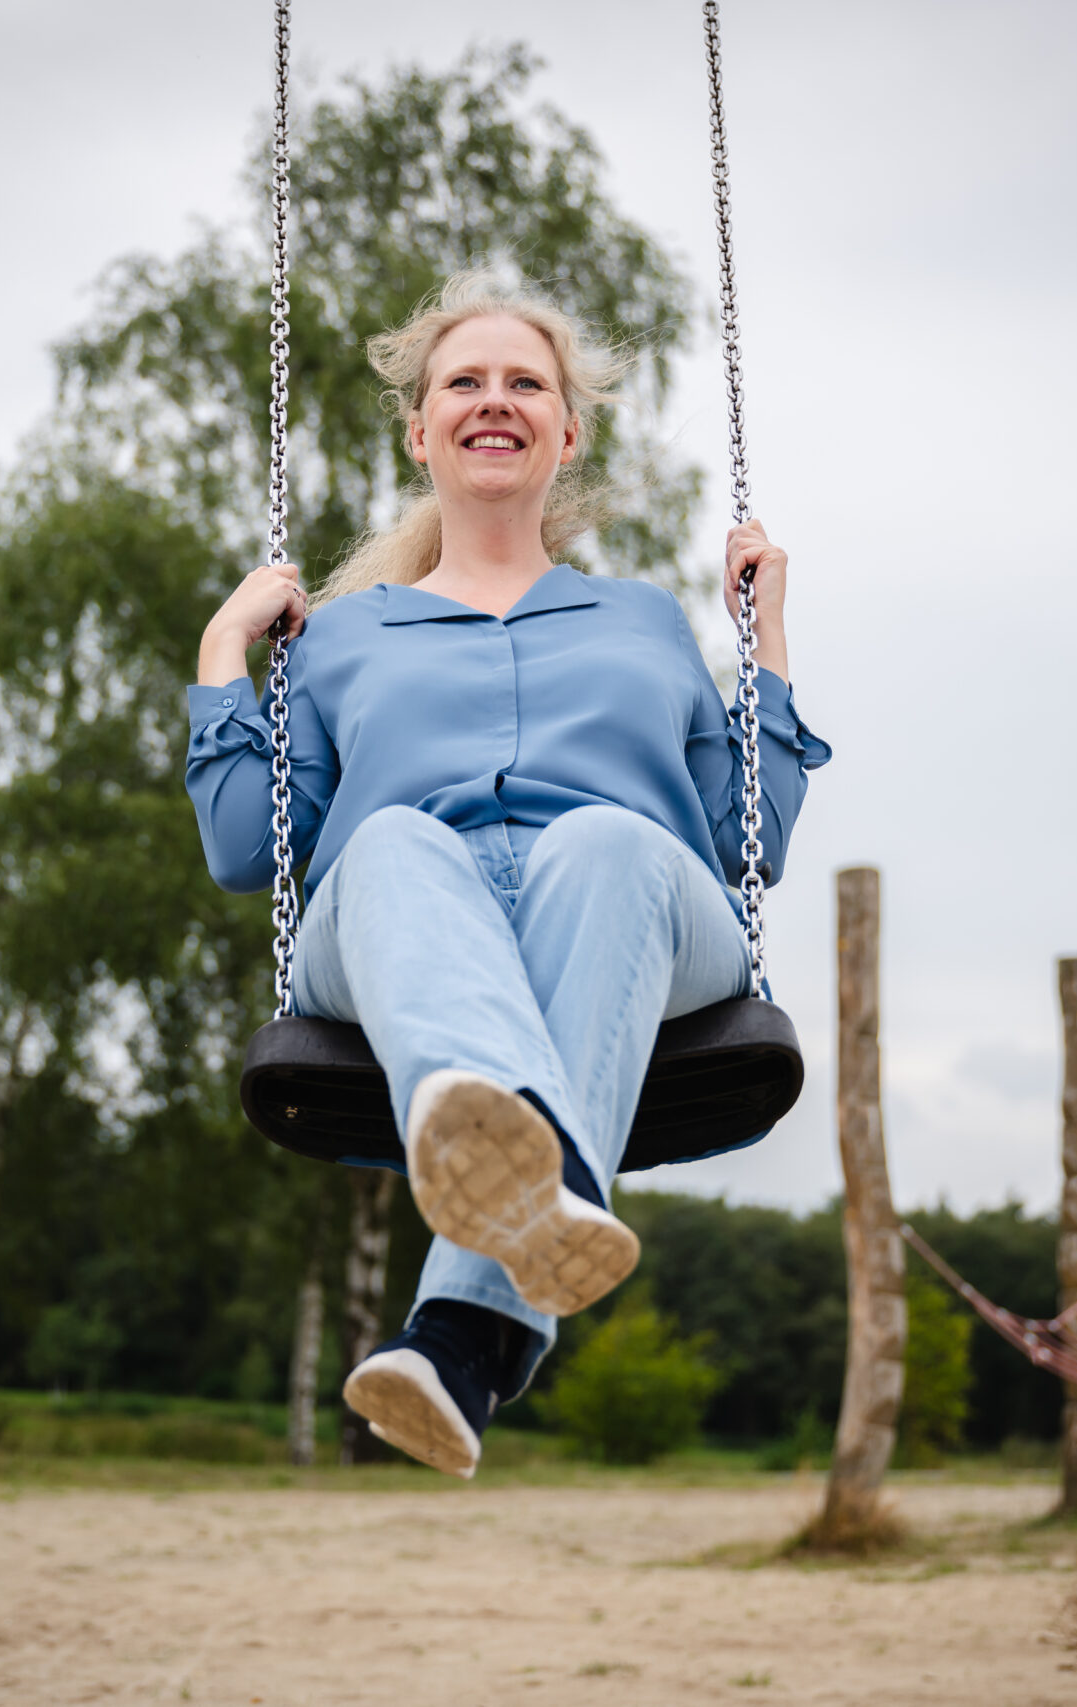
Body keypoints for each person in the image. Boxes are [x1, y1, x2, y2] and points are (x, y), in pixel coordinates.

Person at [185, 270, 830, 1477]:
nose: (496, 401)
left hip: (635, 912)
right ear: (418, 427)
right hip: (397, 925)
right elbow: (244, 850)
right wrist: (228, 652)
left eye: (525, 383)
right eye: (463, 383)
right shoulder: (339, 636)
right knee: (391, 840)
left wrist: (769, 641)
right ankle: (478, 1298)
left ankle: (480, 1265)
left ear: (567, 429)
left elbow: (753, 842)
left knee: (604, 839)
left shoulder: (641, 621)